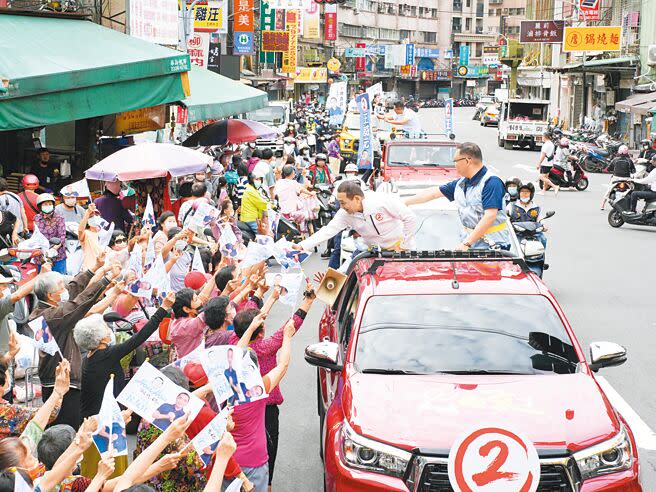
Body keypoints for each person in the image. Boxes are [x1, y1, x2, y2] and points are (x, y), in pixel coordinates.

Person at [32, 262, 119, 429]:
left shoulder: (50, 310)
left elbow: (74, 290)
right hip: (60, 383)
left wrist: (93, 270)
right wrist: (105, 279)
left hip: (60, 380)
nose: (64, 289)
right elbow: (78, 303)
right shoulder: (51, 316)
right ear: (50, 295)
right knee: (65, 431)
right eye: (60, 286)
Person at [405, 142, 510, 251]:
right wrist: (404, 203)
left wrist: (467, 244)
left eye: (455, 161)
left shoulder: (491, 182)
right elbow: (433, 193)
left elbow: (490, 216)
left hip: (493, 247)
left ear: (467, 161)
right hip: (471, 245)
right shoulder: (461, 184)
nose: (454, 165)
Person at [295, 180, 416, 257]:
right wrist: (302, 245)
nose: (341, 207)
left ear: (357, 199)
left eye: (343, 203)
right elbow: (328, 231)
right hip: (376, 254)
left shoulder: (381, 200)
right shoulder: (345, 213)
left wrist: (405, 245)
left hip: (402, 252)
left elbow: (409, 218)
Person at [274, 165, 316, 234]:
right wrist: (310, 193)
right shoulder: (293, 183)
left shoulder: (279, 182)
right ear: (293, 173)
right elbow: (302, 189)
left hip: (279, 211)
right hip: (290, 212)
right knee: (304, 214)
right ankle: (301, 232)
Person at [33, 193, 67, 274]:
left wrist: (53, 249)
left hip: (57, 256)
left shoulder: (59, 219)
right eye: (45, 204)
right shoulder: (37, 218)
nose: (48, 206)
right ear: (40, 206)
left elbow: (62, 237)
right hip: (40, 257)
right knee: (41, 282)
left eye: (50, 204)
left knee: (58, 280)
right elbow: (35, 235)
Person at [508, 183, 547, 247]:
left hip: (533, 233)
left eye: (527, 192)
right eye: (522, 191)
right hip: (517, 234)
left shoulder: (536, 207)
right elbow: (506, 219)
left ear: (531, 194)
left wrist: (544, 225)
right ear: (519, 193)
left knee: (542, 239)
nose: (524, 194)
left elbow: (541, 220)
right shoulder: (511, 206)